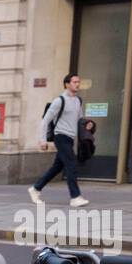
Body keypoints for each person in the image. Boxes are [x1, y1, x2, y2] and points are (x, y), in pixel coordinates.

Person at [29, 74, 89, 207]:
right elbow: (45, 120)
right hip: (60, 136)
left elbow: (80, 120)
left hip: (70, 138)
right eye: (74, 82)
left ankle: (36, 188)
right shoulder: (59, 101)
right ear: (67, 84)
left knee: (57, 167)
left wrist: (88, 125)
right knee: (71, 164)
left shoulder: (78, 100)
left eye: (78, 82)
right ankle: (75, 197)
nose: (77, 84)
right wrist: (42, 140)